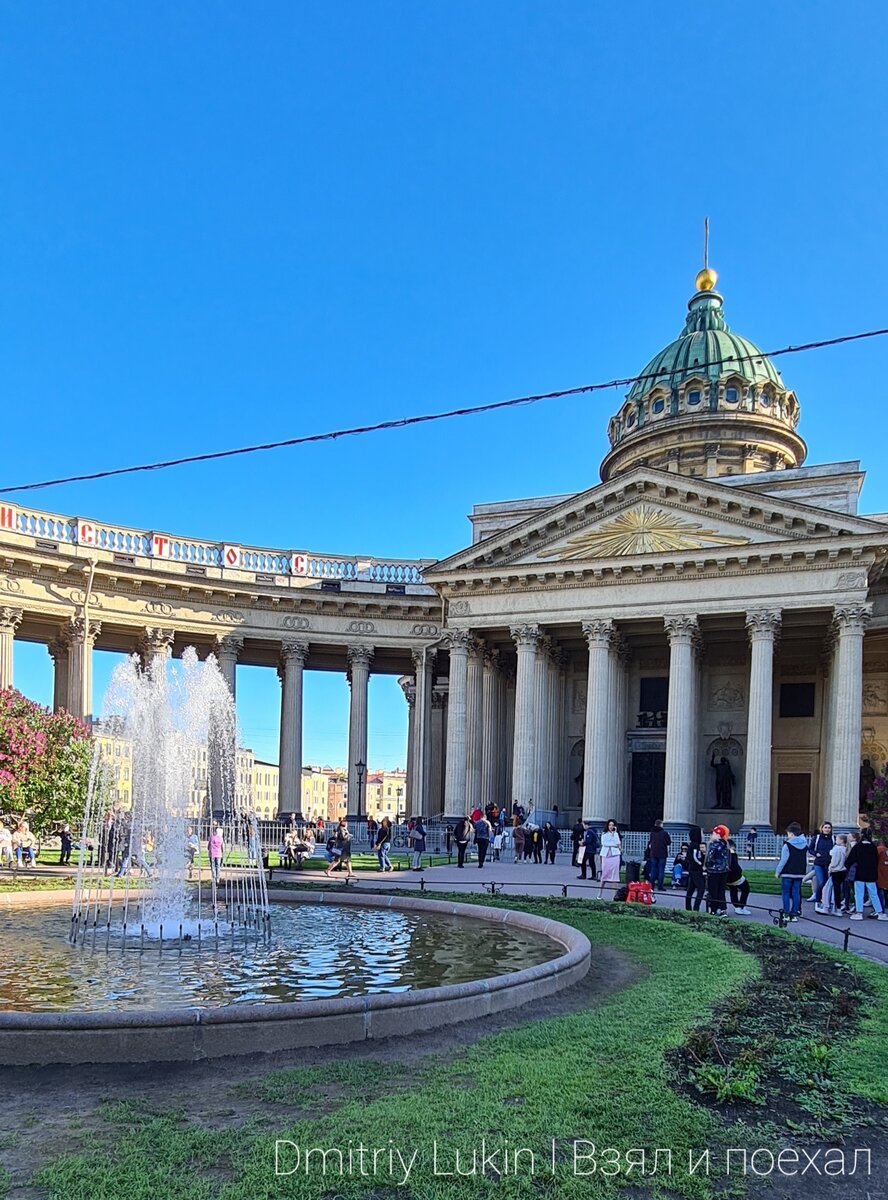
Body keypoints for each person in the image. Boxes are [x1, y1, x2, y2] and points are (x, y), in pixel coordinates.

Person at [845, 829, 887, 920]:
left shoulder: (858, 846)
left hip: (859, 873)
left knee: (859, 893)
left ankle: (859, 912)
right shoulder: (873, 847)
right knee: (874, 894)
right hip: (871, 874)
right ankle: (880, 913)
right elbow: (876, 861)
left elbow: (850, 860)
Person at [775, 821, 808, 922]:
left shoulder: (787, 845)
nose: (787, 836)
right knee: (796, 893)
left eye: (788, 834)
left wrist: (777, 872)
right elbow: (805, 859)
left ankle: (786, 913)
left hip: (788, 872)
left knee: (785, 893)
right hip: (799, 872)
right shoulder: (805, 845)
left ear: (791, 834)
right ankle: (794, 914)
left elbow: (783, 860)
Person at [808, 822, 835, 906]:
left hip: (829, 863)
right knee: (821, 882)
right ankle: (818, 898)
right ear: (822, 829)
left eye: (829, 828)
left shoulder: (833, 838)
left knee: (827, 882)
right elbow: (810, 849)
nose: (827, 829)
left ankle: (826, 898)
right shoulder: (817, 838)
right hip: (819, 863)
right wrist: (816, 854)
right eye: (825, 827)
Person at [705, 824, 730, 915]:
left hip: (714, 871)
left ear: (718, 835)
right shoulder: (725, 845)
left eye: (713, 833)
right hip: (724, 871)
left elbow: (709, 858)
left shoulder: (714, 845)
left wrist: (707, 866)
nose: (712, 835)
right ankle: (723, 909)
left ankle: (713, 909)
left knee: (713, 890)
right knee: (721, 890)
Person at [823, 835, 848, 915]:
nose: (835, 841)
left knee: (828, 889)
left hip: (835, 870)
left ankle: (828, 906)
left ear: (841, 840)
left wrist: (830, 868)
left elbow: (834, 861)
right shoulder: (846, 849)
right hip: (843, 871)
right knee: (837, 889)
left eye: (837, 839)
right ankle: (836, 907)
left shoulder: (837, 849)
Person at [597, 820, 621, 898]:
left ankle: (615, 896)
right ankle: (599, 893)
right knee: (604, 875)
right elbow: (604, 843)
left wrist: (615, 834)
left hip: (615, 856)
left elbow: (618, 843)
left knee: (615, 876)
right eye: (610, 825)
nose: (611, 827)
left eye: (612, 825)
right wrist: (614, 845)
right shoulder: (604, 834)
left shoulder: (616, 834)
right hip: (606, 856)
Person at [726, 839, 751, 914]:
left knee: (733, 890)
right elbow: (735, 866)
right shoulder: (732, 854)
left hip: (727, 878)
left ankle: (737, 906)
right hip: (735, 876)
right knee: (746, 888)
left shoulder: (723, 853)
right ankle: (741, 906)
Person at [646, 819, 672, 891]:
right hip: (662, 853)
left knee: (653, 869)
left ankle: (652, 886)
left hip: (653, 853)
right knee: (661, 870)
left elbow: (650, 842)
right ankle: (660, 886)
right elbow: (669, 842)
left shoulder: (652, 833)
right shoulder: (664, 833)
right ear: (661, 825)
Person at [685, 826, 706, 912]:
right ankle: (696, 908)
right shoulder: (695, 846)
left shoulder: (693, 844)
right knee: (701, 888)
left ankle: (688, 908)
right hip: (696, 869)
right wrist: (701, 864)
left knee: (691, 889)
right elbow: (695, 858)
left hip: (693, 869)